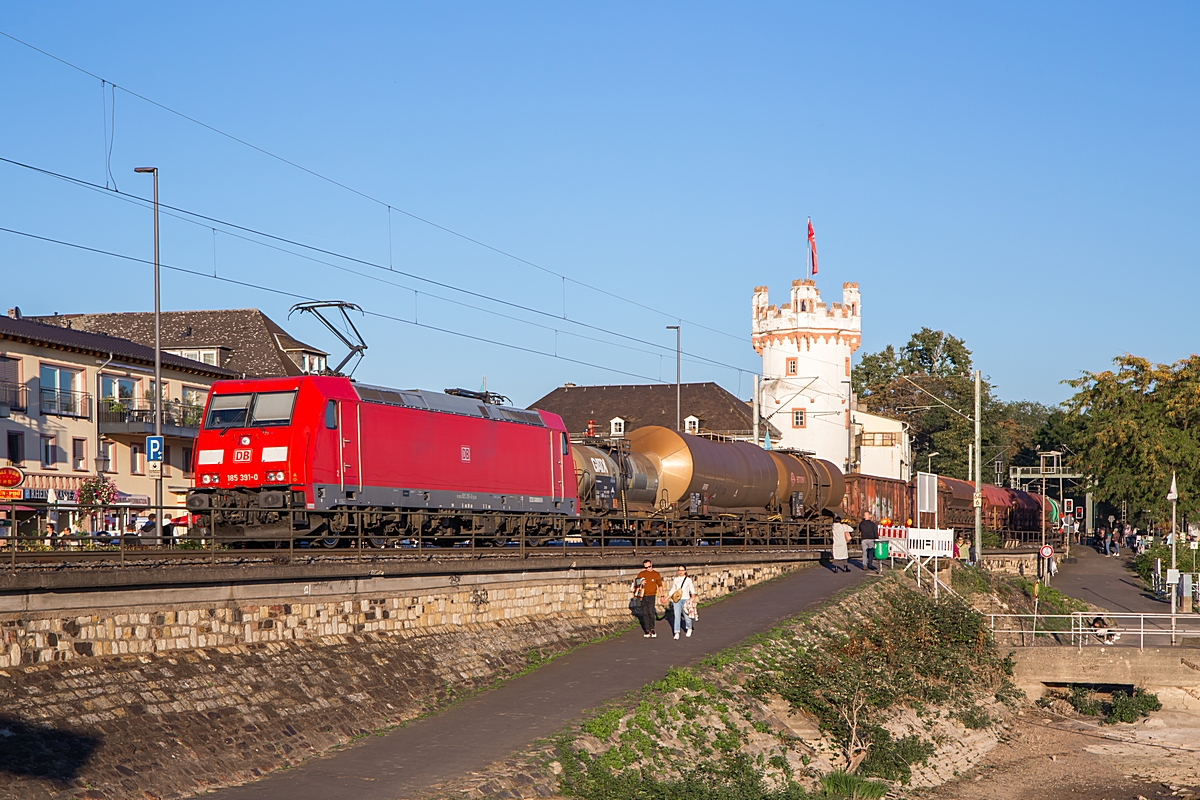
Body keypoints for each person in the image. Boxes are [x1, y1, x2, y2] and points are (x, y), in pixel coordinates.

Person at [632, 559, 663, 639]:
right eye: (646, 567)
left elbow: (660, 585)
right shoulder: (641, 574)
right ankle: (647, 629)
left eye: (649, 566)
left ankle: (652, 628)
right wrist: (640, 583)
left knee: (651, 612)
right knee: (645, 613)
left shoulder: (656, 574)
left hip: (652, 595)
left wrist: (662, 595)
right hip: (643, 595)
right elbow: (636, 583)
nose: (648, 568)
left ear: (651, 565)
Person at [667, 566, 697, 639]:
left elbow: (692, 590)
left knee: (687, 616)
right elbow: (673, 589)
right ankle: (676, 632)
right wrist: (666, 598)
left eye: (682, 570)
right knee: (677, 616)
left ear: (685, 571)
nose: (680, 572)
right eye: (679, 570)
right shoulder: (676, 580)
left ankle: (689, 628)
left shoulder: (688, 580)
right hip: (677, 600)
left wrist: (692, 598)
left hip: (685, 599)